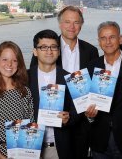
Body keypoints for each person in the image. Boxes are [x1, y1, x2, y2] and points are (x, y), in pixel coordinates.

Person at [30, 6, 99, 158]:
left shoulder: (91, 51)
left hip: (80, 124)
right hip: (48, 126)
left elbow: (94, 87)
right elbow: (32, 87)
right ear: (60, 24)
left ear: (81, 24)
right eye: (67, 22)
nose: (71, 27)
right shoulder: (46, 49)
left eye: (76, 22)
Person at [85, 21, 122, 158]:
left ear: (120, 39)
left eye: (112, 37)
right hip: (99, 141)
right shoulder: (90, 67)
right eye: (103, 38)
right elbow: (85, 103)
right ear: (99, 41)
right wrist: (89, 117)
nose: (108, 42)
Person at [28, 29, 75, 159]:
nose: (49, 51)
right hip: (30, 148)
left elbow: (77, 112)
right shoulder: (24, 78)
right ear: (35, 52)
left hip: (59, 149)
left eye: (53, 47)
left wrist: (69, 118)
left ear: (59, 51)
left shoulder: (69, 78)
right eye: (43, 47)